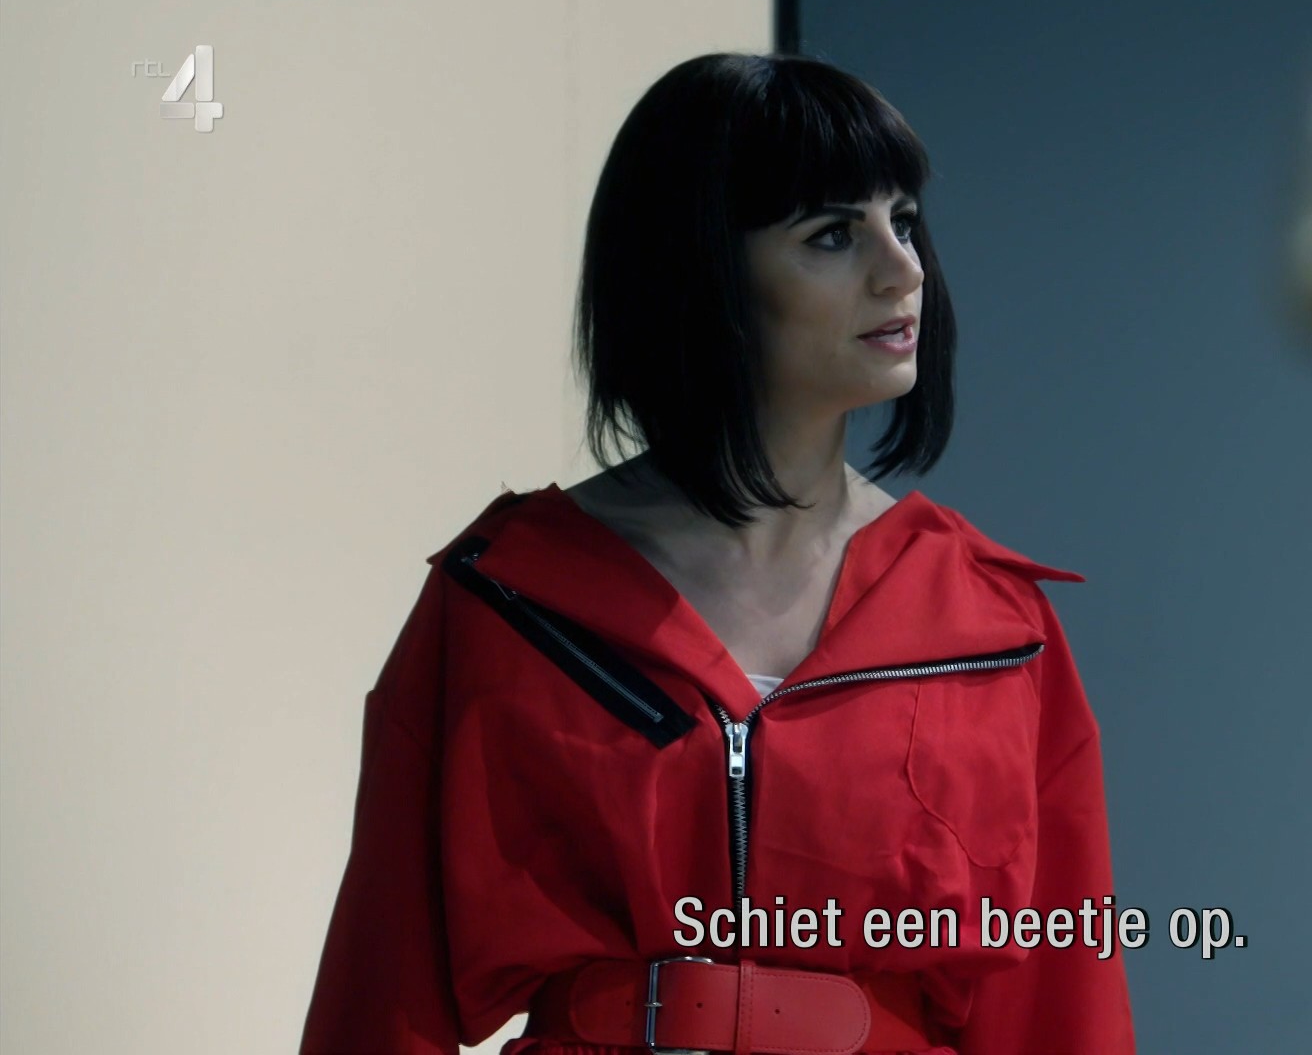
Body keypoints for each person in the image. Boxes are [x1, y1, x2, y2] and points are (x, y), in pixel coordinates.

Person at [299, 52, 1135, 1055]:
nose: (903, 269)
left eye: (904, 221)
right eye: (833, 235)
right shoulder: (507, 597)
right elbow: (382, 988)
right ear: (697, 271)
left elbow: (1062, 1010)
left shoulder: (993, 625)